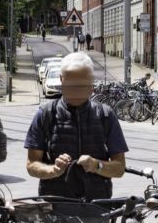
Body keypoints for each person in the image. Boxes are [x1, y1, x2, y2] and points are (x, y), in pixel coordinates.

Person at [24, 52, 127, 200]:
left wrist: (96, 165)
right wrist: (53, 170)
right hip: (55, 206)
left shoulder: (105, 115)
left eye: (82, 85)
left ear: (92, 84)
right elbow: (31, 164)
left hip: (95, 206)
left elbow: (119, 168)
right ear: (61, 80)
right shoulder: (46, 114)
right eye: (71, 84)